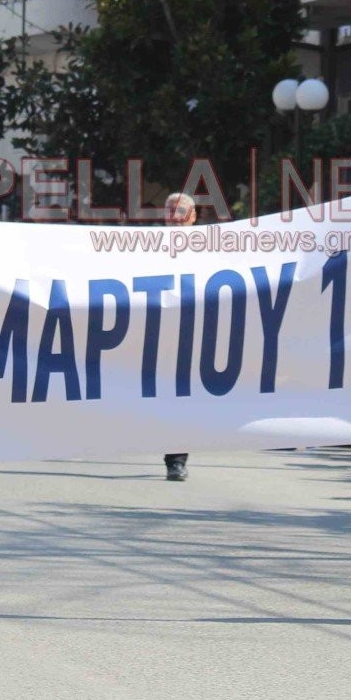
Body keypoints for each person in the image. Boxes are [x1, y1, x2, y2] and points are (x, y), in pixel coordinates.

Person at [160, 191, 199, 483]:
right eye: (170, 210)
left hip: (190, 333)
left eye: (181, 211)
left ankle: (176, 460)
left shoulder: (213, 248)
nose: (175, 217)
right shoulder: (143, 249)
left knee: (181, 397)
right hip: (152, 332)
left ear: (193, 217)